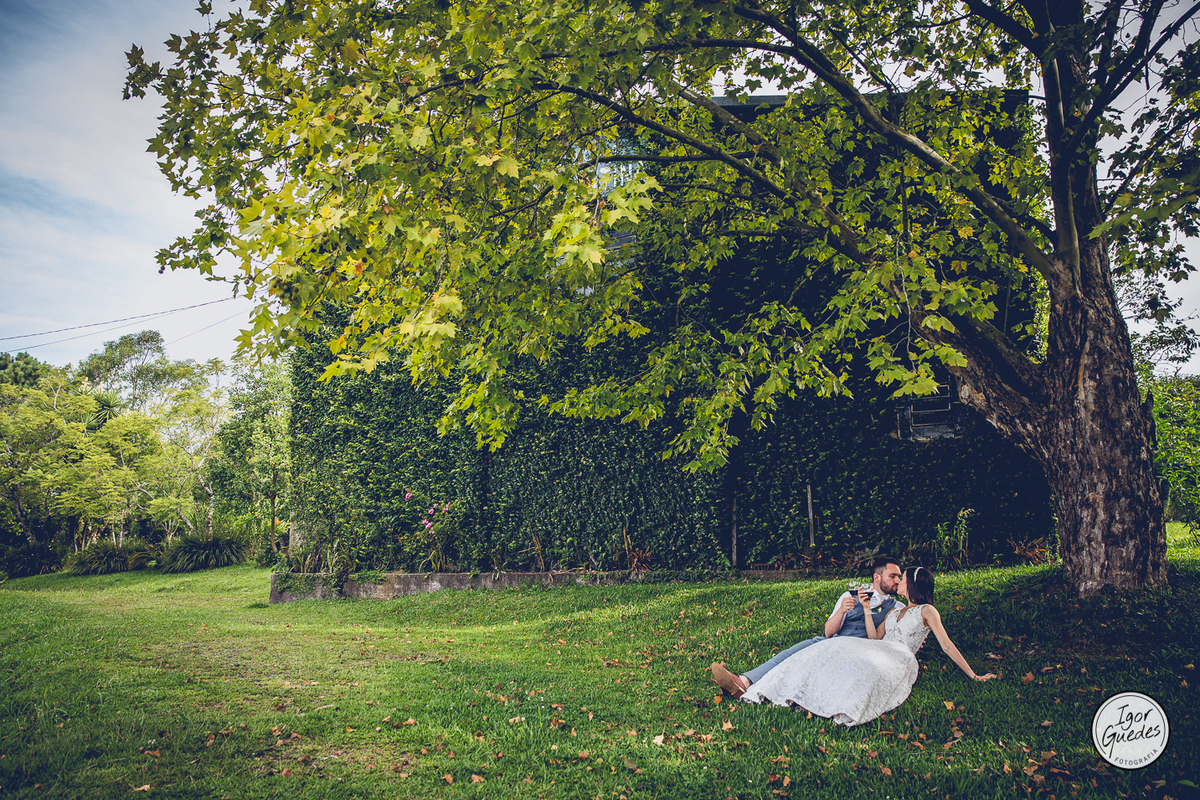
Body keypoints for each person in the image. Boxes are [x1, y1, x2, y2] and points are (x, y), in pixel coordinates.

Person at [737, 566, 997, 726]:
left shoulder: (927, 610)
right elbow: (874, 638)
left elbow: (947, 645)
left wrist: (973, 675)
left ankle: (838, 706)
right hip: (878, 648)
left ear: (913, 584)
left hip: (900, 657)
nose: (899, 582)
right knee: (829, 648)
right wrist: (863, 607)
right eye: (897, 577)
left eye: (903, 579)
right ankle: (785, 691)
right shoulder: (896, 612)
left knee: (859, 665)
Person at [711, 556, 903, 698]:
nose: (897, 581)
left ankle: (749, 688)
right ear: (877, 578)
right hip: (832, 642)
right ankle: (743, 682)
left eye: (899, 577)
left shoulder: (897, 607)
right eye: (892, 576)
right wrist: (841, 612)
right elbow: (828, 632)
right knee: (792, 652)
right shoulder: (850, 595)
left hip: (858, 651)